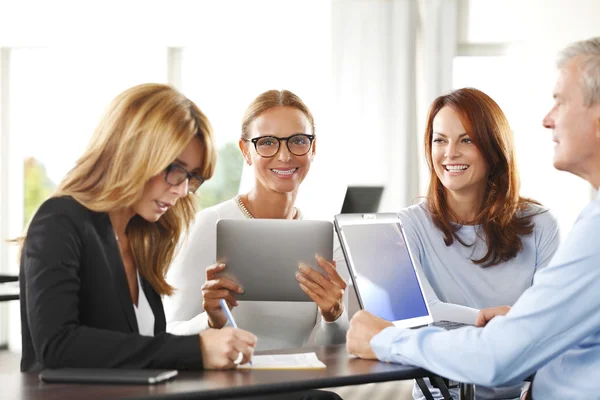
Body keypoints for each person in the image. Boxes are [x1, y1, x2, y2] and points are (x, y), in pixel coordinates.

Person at [346, 37, 600, 400]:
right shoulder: (409, 224)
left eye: (560, 101)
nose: (547, 119)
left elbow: (503, 354)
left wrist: (384, 339)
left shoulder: (578, 229)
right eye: (439, 140)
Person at [19, 83, 257, 372]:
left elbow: (140, 349)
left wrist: (210, 333)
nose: (182, 191)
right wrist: (197, 349)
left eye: (191, 177)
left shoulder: (141, 236)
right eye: (175, 170)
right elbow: (57, 346)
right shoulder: (59, 221)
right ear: (133, 152)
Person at [394, 88, 559, 400]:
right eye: (439, 139)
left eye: (466, 140)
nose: (449, 153)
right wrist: (487, 318)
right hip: (442, 395)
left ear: (493, 148)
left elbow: (551, 324)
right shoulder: (407, 224)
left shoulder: (540, 224)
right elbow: (422, 314)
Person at [164, 89, 349, 350]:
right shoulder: (209, 226)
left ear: (313, 147)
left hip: (299, 384)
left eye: (297, 140)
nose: (284, 156)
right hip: (230, 387)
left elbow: (333, 352)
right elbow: (166, 335)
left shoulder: (324, 240)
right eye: (267, 142)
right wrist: (210, 320)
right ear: (246, 151)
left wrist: (334, 317)